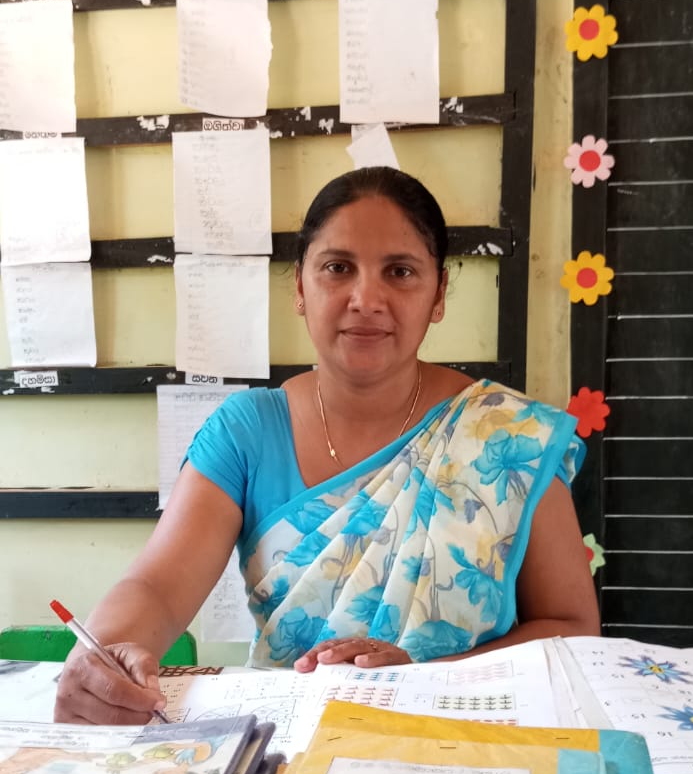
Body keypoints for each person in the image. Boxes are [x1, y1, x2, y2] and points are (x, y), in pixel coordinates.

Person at [55, 167, 600, 724]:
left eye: (400, 272)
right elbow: (157, 587)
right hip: (285, 748)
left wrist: (424, 677)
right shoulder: (247, 433)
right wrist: (106, 653)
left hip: (470, 739)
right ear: (300, 287)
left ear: (438, 294)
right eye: (338, 268)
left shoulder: (507, 435)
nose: (366, 298)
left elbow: (574, 629)